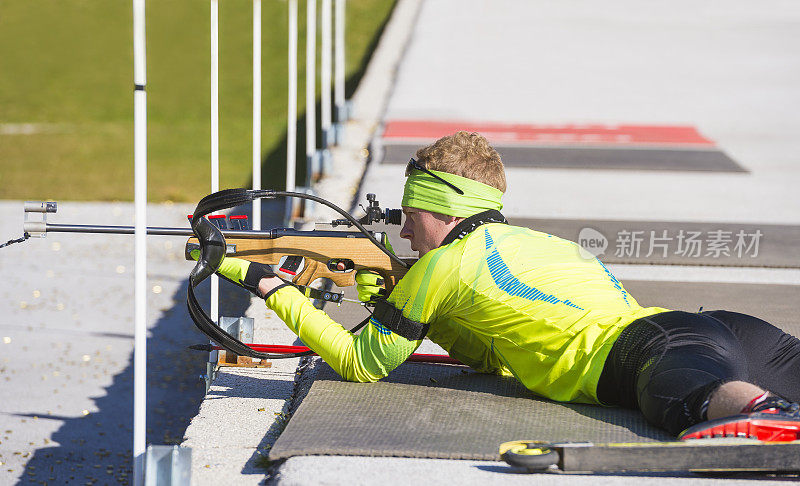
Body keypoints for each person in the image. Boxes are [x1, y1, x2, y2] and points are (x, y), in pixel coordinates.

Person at [212, 131, 800, 440]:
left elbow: (357, 363)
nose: (405, 230)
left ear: (436, 208)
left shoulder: (443, 268)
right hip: (714, 328)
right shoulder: (541, 244)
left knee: (696, 405)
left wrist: (268, 285)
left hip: (648, 356)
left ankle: (768, 416)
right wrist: (397, 303)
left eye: (410, 214)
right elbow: (492, 355)